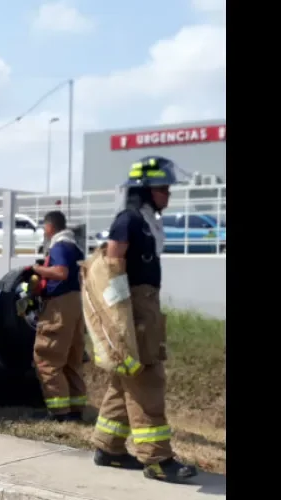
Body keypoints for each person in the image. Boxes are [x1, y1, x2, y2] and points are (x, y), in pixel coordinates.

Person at [89, 155, 198, 482]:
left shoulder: (146, 219)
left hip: (145, 303)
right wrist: (120, 316)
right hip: (134, 306)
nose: (168, 193)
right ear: (146, 189)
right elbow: (112, 264)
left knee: (124, 380)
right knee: (147, 379)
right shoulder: (129, 219)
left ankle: (108, 447)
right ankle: (157, 460)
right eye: (163, 187)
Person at [29, 210, 87, 422]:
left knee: (48, 357)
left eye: (45, 227)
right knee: (72, 358)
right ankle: (75, 409)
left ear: (50, 227)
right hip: (76, 303)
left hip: (60, 306)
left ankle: (59, 413)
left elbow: (60, 273)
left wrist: (37, 269)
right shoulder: (75, 247)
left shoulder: (60, 245)